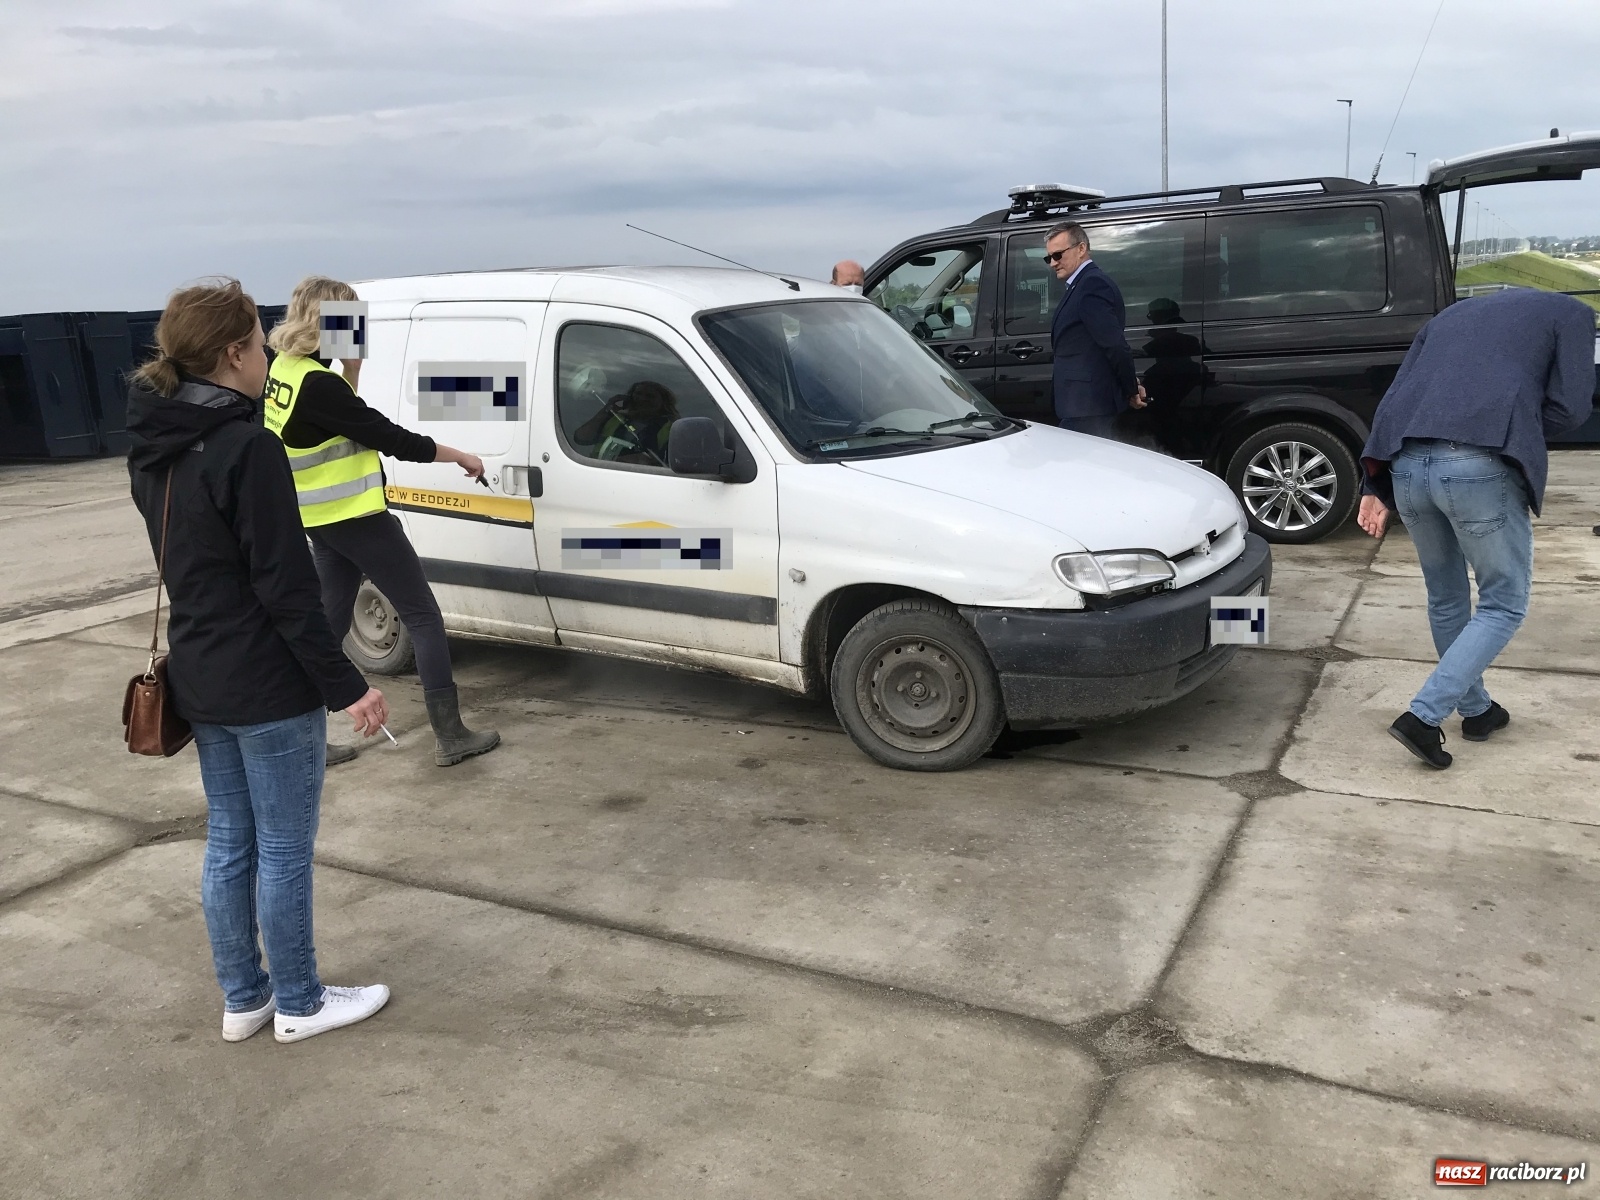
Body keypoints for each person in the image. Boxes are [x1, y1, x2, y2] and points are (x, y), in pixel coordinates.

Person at [126, 277, 391, 1044]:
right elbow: (286, 588)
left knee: (232, 841)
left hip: (202, 673)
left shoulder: (152, 448)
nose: (267, 351)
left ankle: (245, 997)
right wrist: (349, 689)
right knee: (280, 848)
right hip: (268, 682)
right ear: (233, 353)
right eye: (257, 338)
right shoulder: (247, 448)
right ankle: (302, 1002)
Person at [264, 275, 500, 768]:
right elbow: (387, 435)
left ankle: (300, 737)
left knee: (328, 621)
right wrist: (460, 456)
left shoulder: (284, 370)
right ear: (328, 321)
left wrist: (351, 367)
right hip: (358, 517)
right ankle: (451, 735)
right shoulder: (319, 384)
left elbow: (334, 424)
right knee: (423, 616)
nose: (358, 330)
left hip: (321, 517)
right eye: (351, 322)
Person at [1356, 287, 1596, 769]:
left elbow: (1397, 398)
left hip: (1406, 464)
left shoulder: (1452, 314)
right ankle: (1424, 716)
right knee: (1504, 602)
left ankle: (1477, 710)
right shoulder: (1574, 314)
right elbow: (1571, 408)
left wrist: (1373, 485)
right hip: (1477, 466)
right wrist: (1510, 426)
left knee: (1446, 598)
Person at [1045, 222, 1146, 439]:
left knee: (1078, 467)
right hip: (1082, 405)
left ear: (1081, 249)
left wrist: (1130, 389)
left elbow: (1114, 344)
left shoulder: (1092, 286)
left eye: (1058, 255)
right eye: (1049, 258)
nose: (1053, 263)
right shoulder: (1081, 285)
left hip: (1088, 408)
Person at [572, 380, 679, 465]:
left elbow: (664, 464)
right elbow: (581, 438)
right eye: (638, 394)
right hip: (594, 470)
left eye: (650, 396)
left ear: (663, 403)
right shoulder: (614, 418)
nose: (642, 399)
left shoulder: (671, 429)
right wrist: (606, 410)